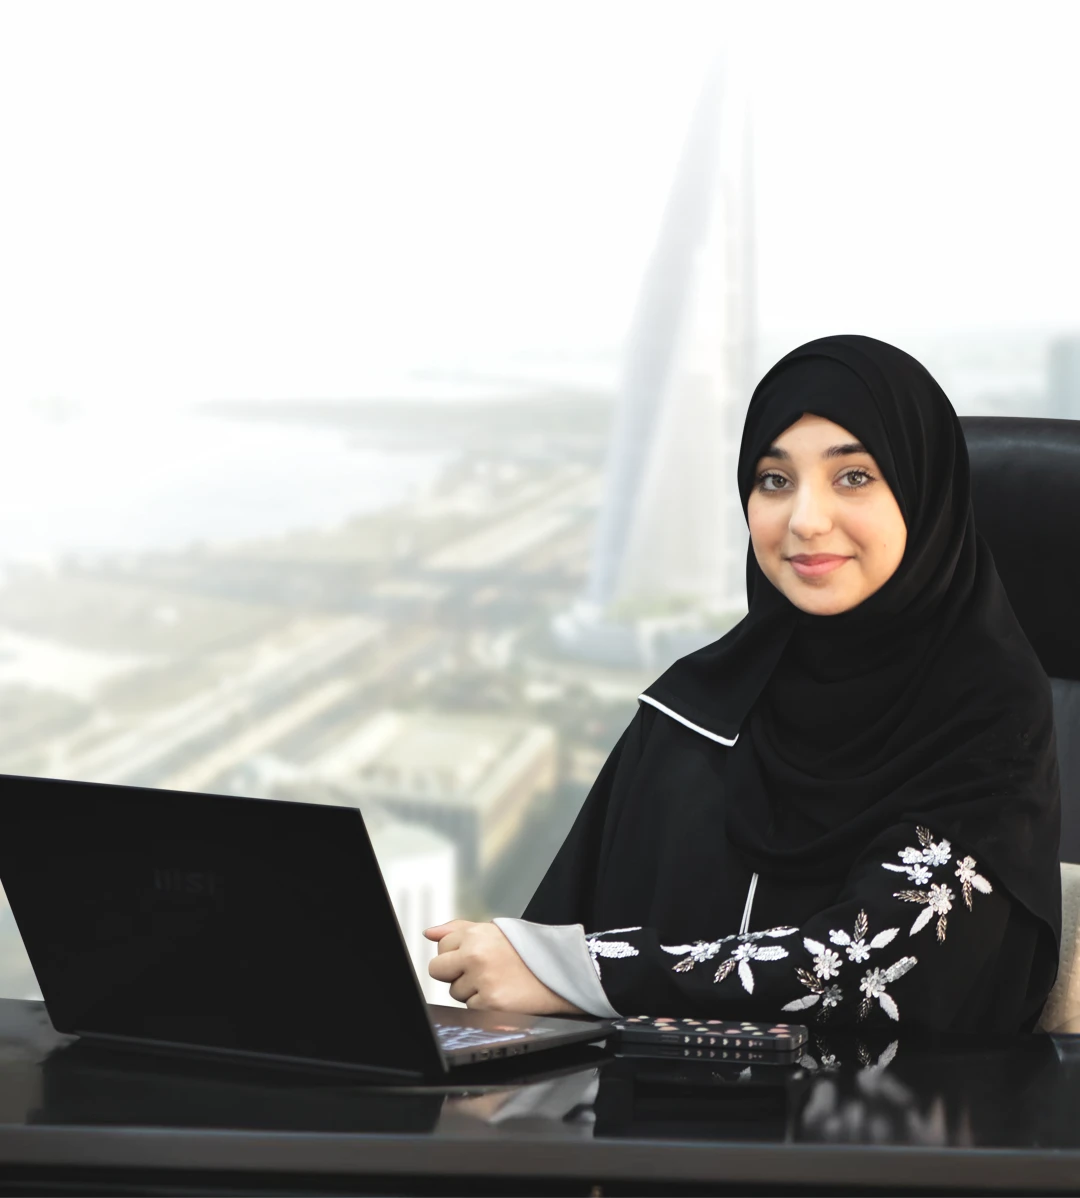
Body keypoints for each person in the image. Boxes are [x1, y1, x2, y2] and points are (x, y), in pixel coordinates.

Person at [425, 334, 1062, 1033]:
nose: (805, 520)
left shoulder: (988, 716)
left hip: (888, 1126)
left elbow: (862, 967)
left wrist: (578, 971)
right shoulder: (697, 710)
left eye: (853, 477)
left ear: (923, 492)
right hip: (650, 1127)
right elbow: (547, 959)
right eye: (774, 480)